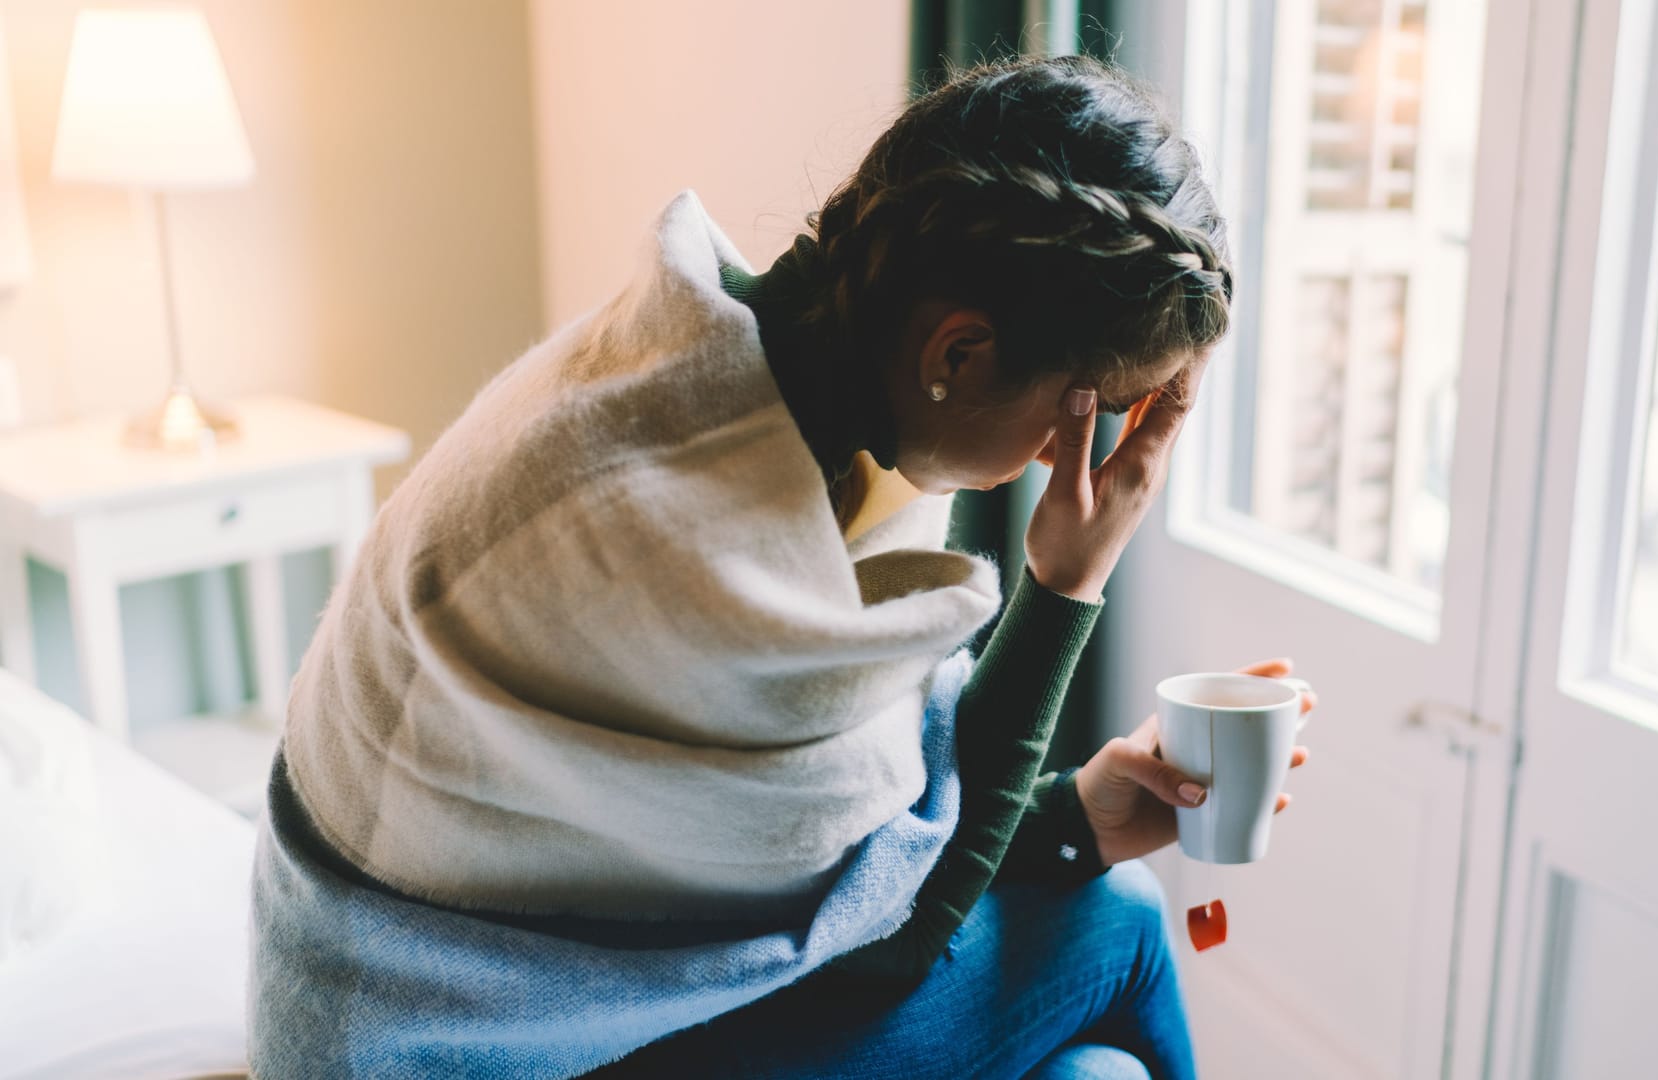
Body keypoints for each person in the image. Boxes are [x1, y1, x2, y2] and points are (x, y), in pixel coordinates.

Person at [248, 53, 1312, 1080]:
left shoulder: (703, 367)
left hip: (426, 980)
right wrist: (1068, 580)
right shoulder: (706, 556)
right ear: (957, 354)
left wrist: (1074, 817)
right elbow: (891, 940)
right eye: (1090, 409)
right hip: (435, 1041)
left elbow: (849, 853)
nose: (1062, 456)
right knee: (1122, 928)